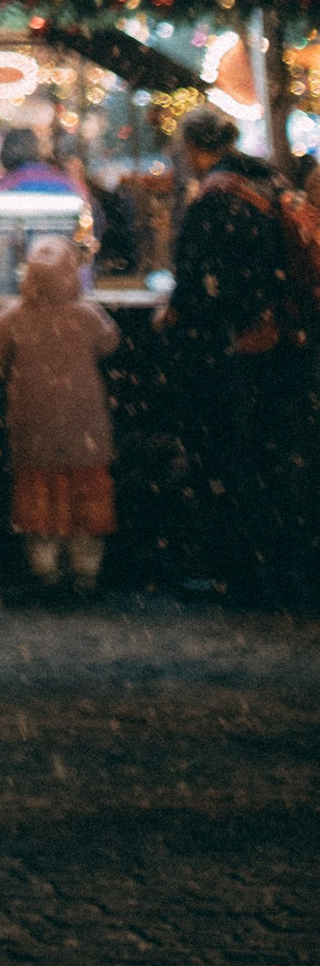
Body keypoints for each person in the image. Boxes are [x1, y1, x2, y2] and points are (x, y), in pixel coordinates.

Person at [161, 103, 314, 603]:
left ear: (193, 147)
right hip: (286, 340)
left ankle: (241, 573)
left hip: (237, 349)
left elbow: (199, 281)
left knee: (233, 458)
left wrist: (178, 313)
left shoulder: (216, 196)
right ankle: (285, 568)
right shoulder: (269, 179)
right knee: (279, 460)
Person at [0, 234, 118, 590]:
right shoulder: (86, 315)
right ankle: (86, 567)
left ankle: (45, 566)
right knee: (84, 492)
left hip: (33, 425)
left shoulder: (11, 316)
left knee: (39, 492)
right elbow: (110, 343)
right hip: (85, 425)